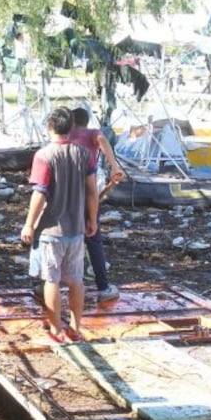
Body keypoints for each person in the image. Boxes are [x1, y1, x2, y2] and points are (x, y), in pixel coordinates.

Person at [21, 106, 97, 343]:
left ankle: (56, 330)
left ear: (50, 126)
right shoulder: (84, 154)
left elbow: (40, 193)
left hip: (51, 228)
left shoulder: (44, 155)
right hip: (76, 228)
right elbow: (92, 191)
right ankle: (75, 327)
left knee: (51, 279)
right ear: (72, 127)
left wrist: (29, 224)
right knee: (76, 280)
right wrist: (92, 219)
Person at [69, 107, 125, 303]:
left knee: (60, 238)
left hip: (65, 192)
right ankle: (103, 287)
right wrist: (114, 165)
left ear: (72, 122)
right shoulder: (92, 134)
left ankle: (48, 285)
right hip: (87, 188)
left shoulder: (66, 134)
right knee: (93, 238)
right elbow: (102, 139)